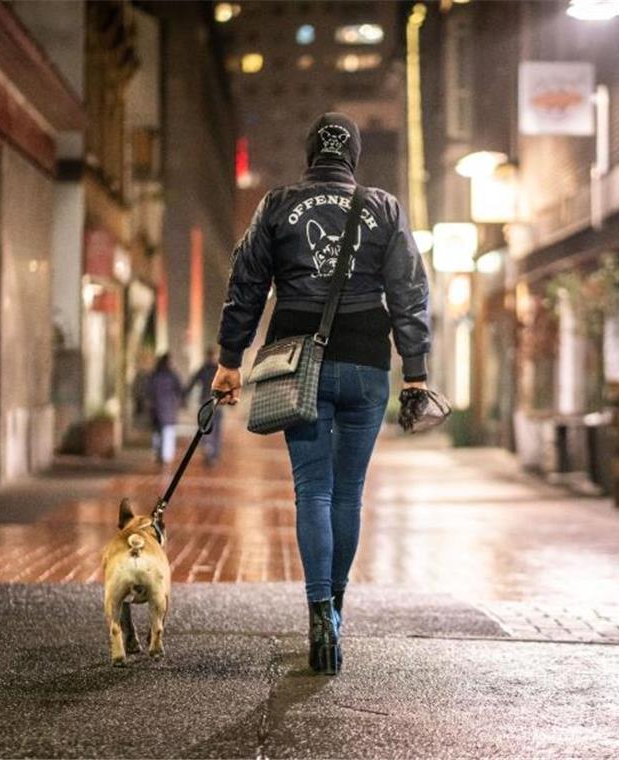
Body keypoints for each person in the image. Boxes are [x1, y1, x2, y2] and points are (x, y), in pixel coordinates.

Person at [211, 113, 431, 675]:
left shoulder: (278, 204)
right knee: (349, 493)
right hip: (364, 362)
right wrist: (416, 370)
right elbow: (408, 288)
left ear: (311, 155)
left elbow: (247, 285)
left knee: (312, 490)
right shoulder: (384, 207)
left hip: (295, 357)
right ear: (352, 157)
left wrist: (229, 360)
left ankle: (315, 611)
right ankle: (334, 609)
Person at [184, 347, 223, 465]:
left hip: (206, 402)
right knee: (216, 430)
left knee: (207, 429)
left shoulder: (203, 369)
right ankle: (213, 453)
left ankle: (210, 451)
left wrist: (184, 395)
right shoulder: (219, 369)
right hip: (217, 403)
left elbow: (192, 382)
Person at [146, 353, 183, 465]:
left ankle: (158, 454)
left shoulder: (153, 375)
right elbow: (180, 389)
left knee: (157, 433)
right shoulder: (173, 375)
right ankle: (166, 456)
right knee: (168, 432)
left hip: (156, 408)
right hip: (169, 409)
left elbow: (148, 391)